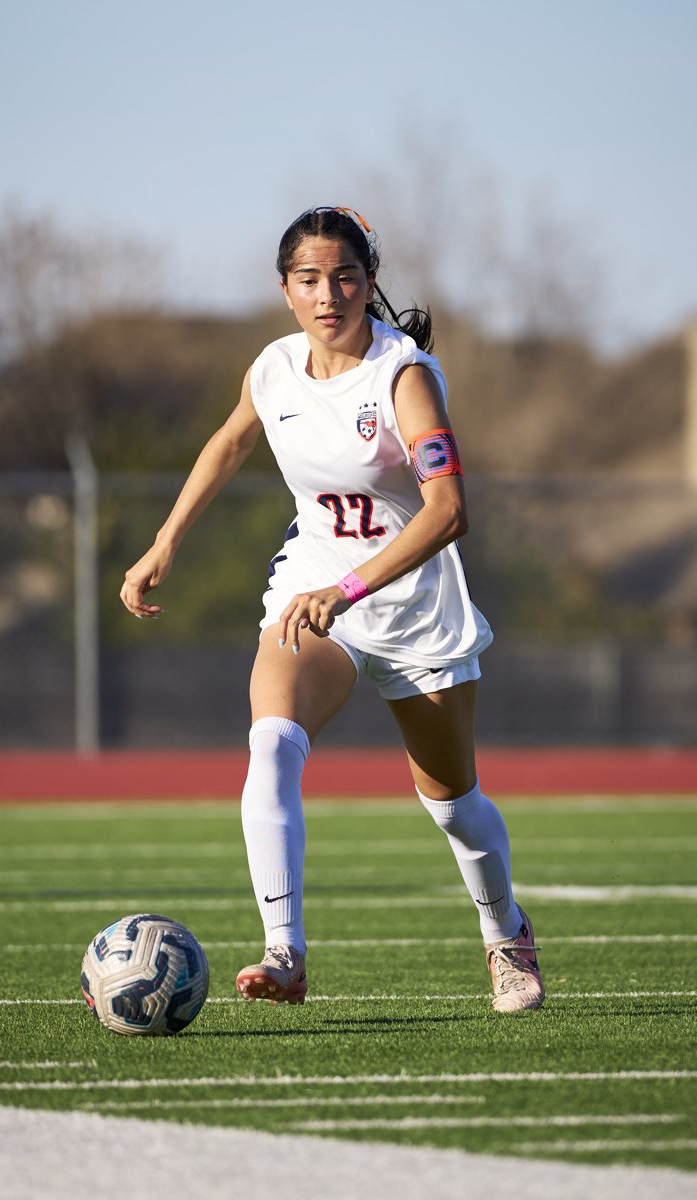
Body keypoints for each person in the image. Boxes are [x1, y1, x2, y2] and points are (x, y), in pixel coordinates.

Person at [120, 206, 544, 1014]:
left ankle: (505, 932)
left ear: (368, 281)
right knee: (272, 742)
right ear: (285, 290)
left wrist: (348, 588)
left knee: (453, 805)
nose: (329, 294)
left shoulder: (403, 375)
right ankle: (286, 953)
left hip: (413, 610)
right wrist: (164, 541)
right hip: (313, 591)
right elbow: (231, 441)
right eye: (310, 279)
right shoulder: (273, 368)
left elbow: (448, 511)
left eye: (345, 276)